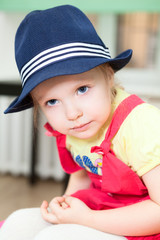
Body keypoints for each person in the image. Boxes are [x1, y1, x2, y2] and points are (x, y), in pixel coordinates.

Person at [0, 4, 160, 240]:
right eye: (52, 102)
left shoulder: (139, 124)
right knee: (16, 225)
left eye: (82, 89)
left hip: (143, 222)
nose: (72, 113)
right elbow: (82, 174)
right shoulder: (76, 127)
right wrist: (66, 207)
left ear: (108, 76)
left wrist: (86, 220)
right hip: (103, 208)